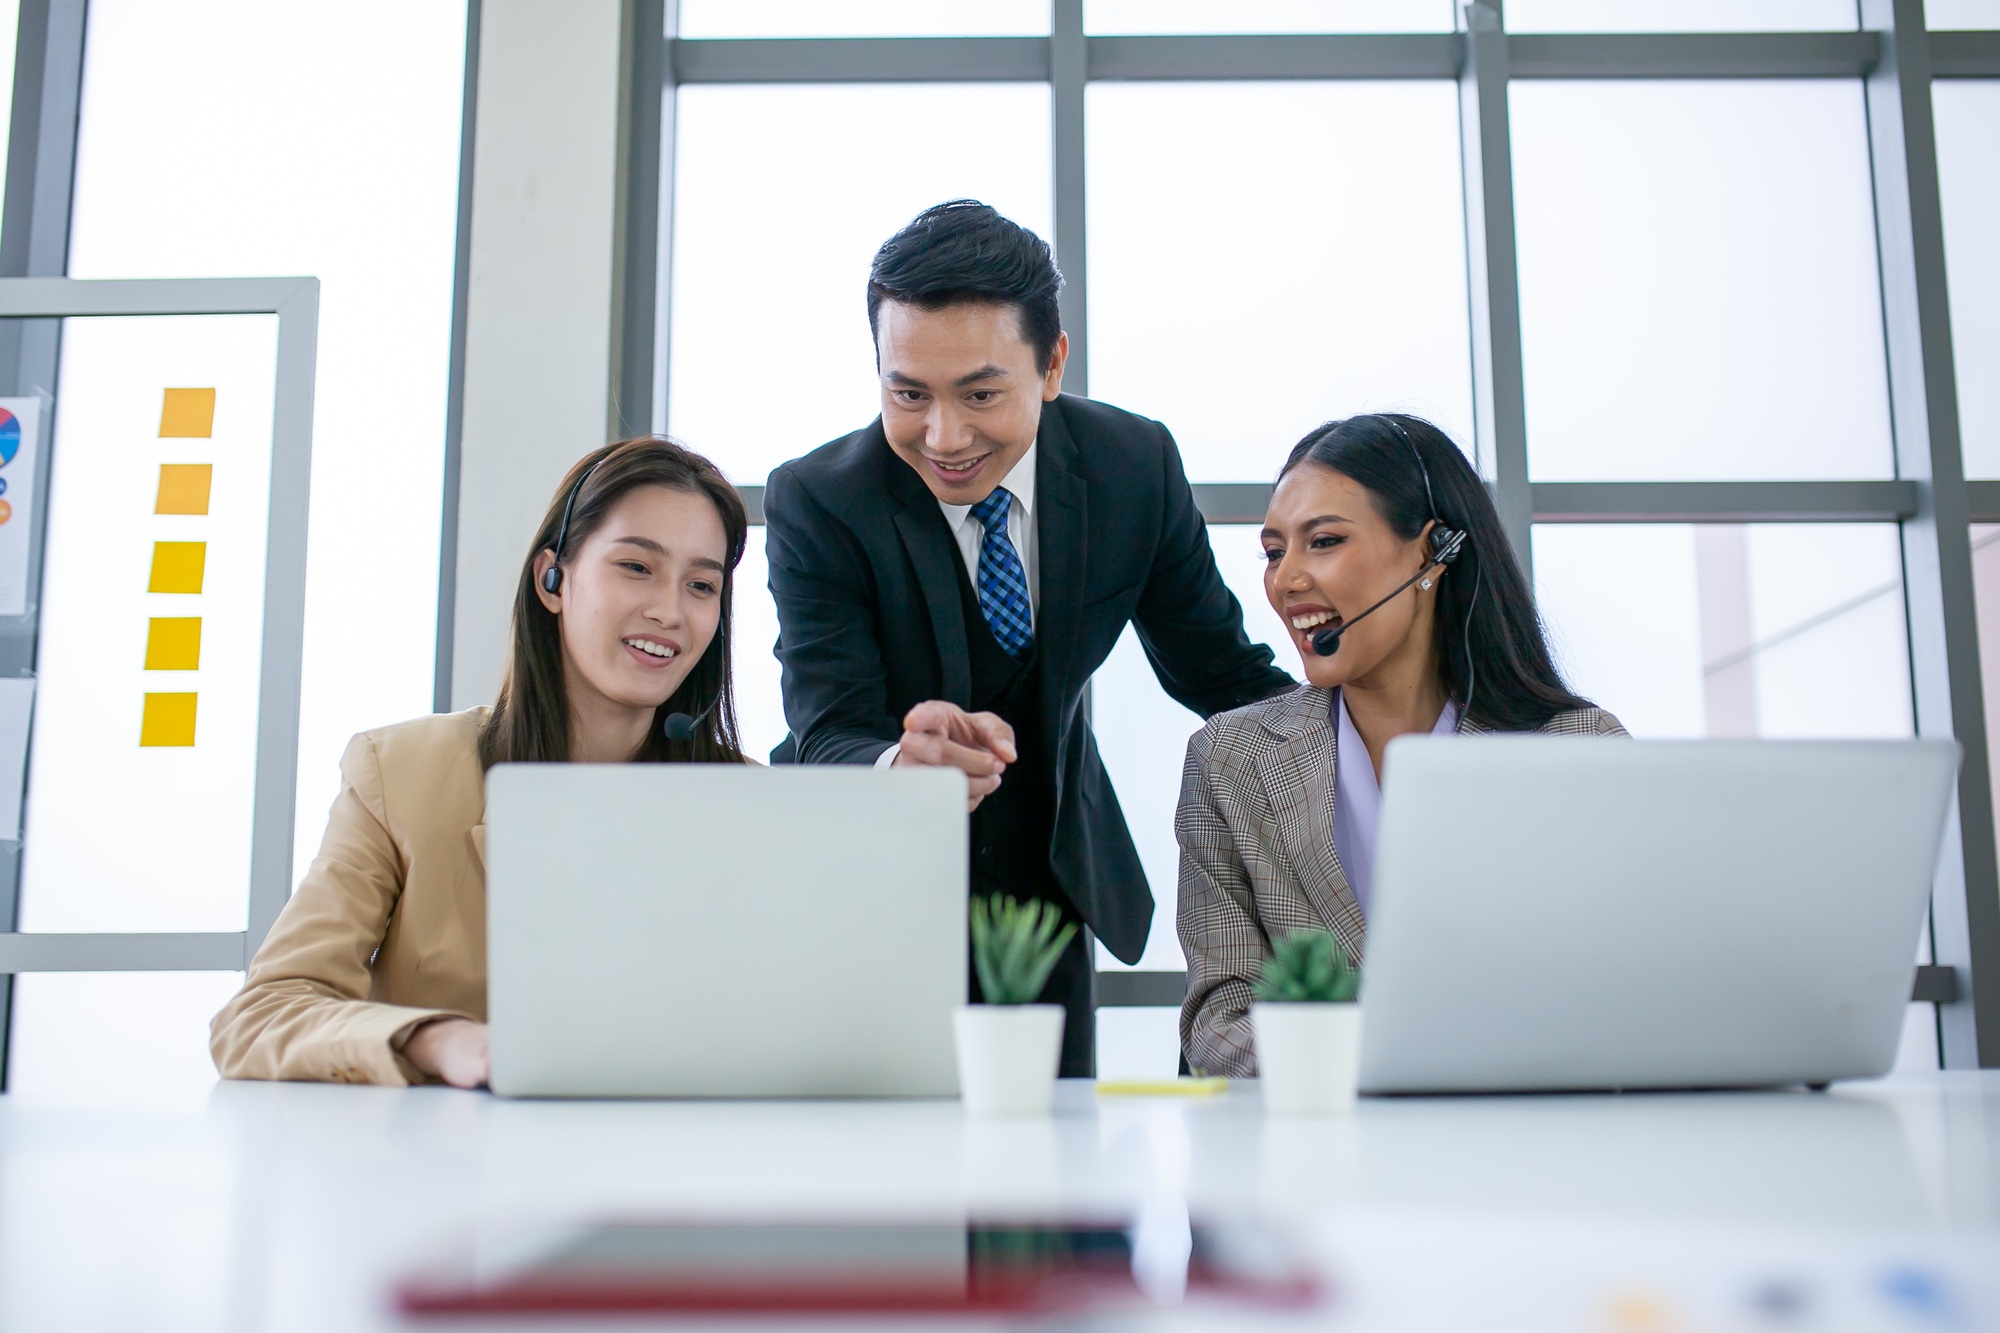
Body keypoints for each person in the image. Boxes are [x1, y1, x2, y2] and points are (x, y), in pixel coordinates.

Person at [764, 200, 1294, 1076]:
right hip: (865, 897)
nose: (944, 437)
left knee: (1059, 1151)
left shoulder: (1132, 466)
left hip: (1049, 889)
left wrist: (1379, 730)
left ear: (1052, 364)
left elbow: (1223, 673)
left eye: (980, 394)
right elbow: (828, 728)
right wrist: (900, 768)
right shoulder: (820, 500)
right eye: (907, 394)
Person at [210, 437, 750, 1087]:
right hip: (448, 1146)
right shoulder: (399, 773)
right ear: (552, 579)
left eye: (701, 585)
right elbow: (261, 1015)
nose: (669, 610)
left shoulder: (753, 808)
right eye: (636, 566)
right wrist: (439, 1040)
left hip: (679, 1144)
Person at [1177, 413, 1626, 1077]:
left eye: (1323, 541)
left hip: (1528, 1128)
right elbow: (1218, 1024)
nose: (1286, 580)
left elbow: (1621, 993)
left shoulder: (1581, 752)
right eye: (1273, 552)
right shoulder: (1230, 759)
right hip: (1322, 1132)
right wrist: (1389, 1057)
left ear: (1432, 552)